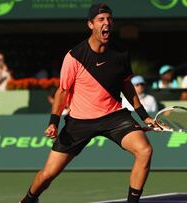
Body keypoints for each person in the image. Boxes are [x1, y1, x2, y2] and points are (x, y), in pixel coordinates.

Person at [19, 3, 158, 203]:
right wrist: (53, 122)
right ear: (90, 24)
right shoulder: (74, 56)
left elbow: (127, 86)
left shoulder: (120, 53)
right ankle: (29, 199)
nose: (106, 23)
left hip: (114, 116)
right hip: (79, 122)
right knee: (48, 174)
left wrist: (144, 116)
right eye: (101, 19)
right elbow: (62, 92)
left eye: (109, 19)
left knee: (145, 150)